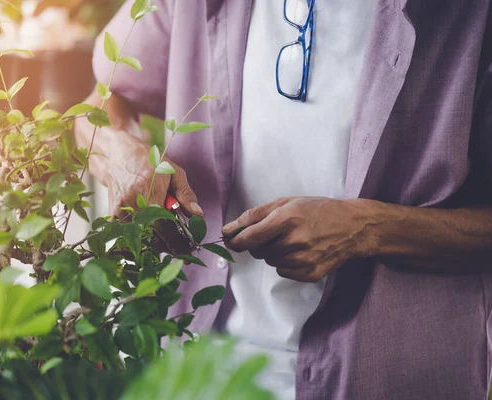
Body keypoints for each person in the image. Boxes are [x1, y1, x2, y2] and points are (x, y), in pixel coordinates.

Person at [75, 0, 492, 398]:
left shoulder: (469, 16)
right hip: (206, 367)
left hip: (391, 377)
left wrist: (365, 228)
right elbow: (100, 103)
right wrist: (119, 153)